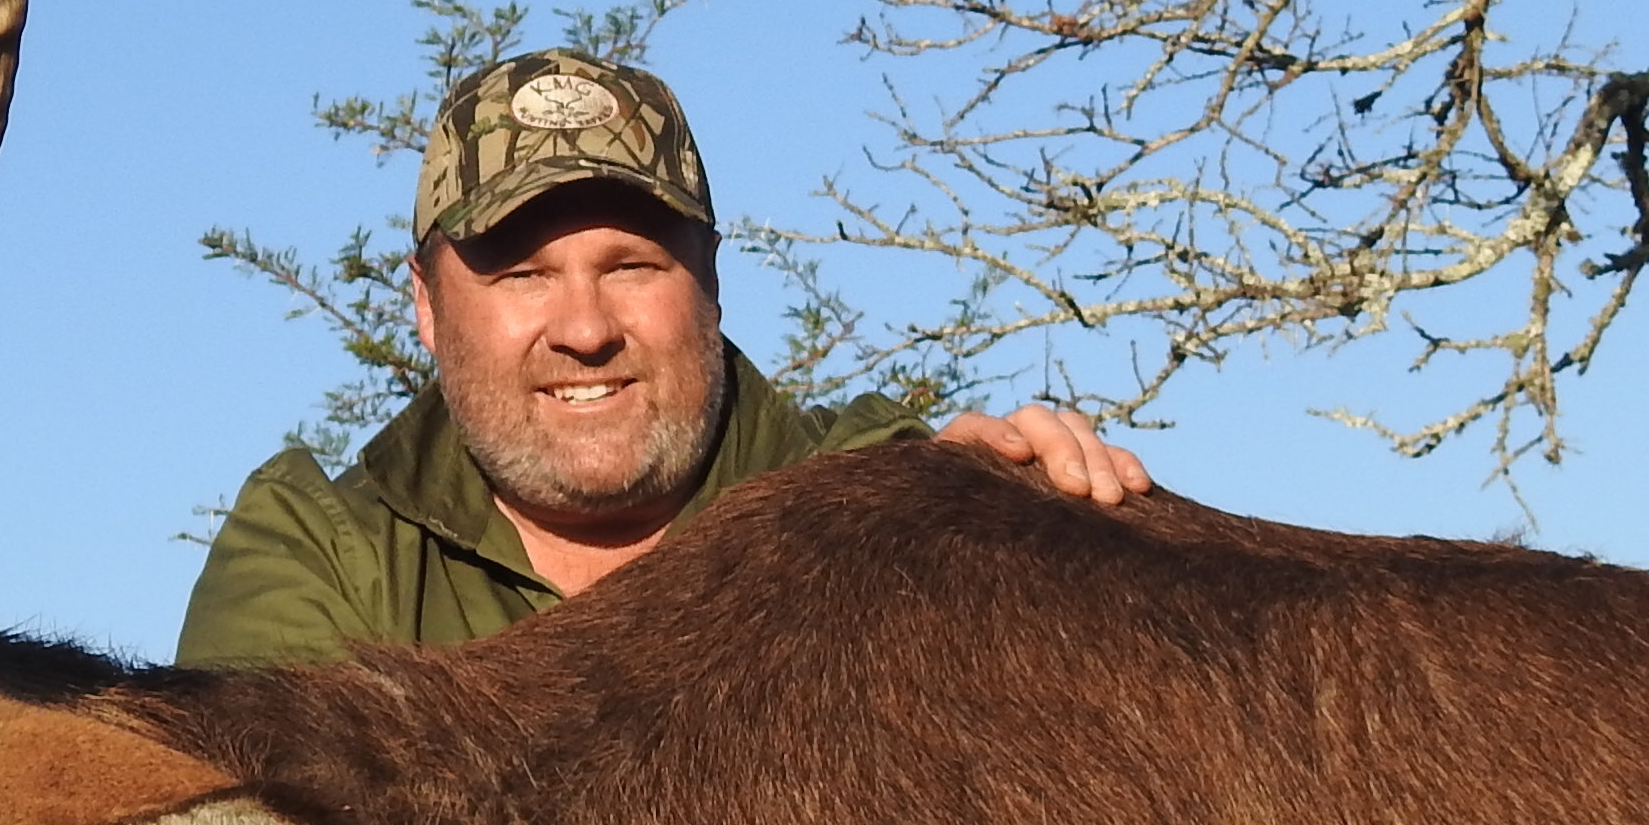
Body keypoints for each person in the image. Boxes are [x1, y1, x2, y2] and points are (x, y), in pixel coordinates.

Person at [176, 48, 1148, 670]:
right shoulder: (317, 555)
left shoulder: (887, 494)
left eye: (632, 265)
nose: (586, 327)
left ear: (710, 280)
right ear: (427, 305)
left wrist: (1016, 533)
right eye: (522, 274)